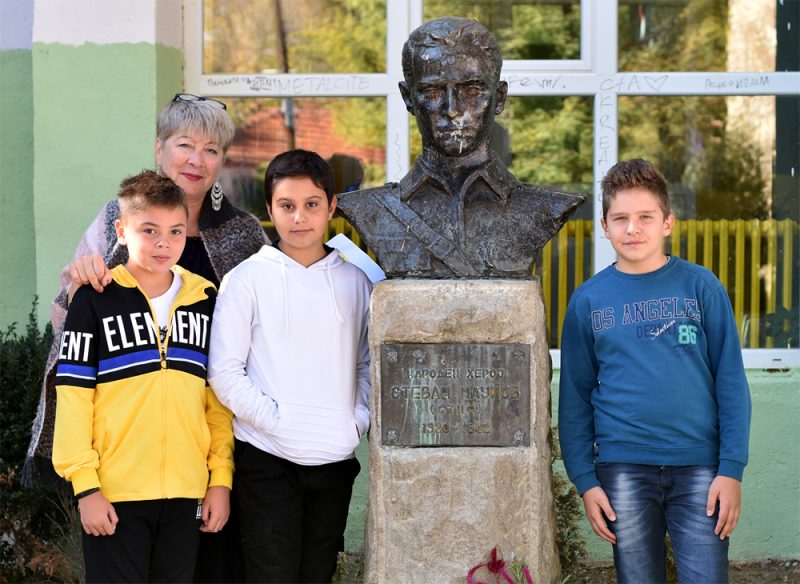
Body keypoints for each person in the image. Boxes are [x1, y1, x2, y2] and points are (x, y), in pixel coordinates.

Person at [25, 93, 266, 582]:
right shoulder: (118, 217)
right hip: (122, 457)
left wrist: (221, 472)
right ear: (160, 149)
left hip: (205, 454)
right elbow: (69, 329)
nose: (196, 160)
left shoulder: (242, 232)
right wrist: (78, 282)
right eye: (184, 145)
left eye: (211, 150)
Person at [558, 158, 752, 583]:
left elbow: (731, 384)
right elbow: (575, 397)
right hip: (623, 467)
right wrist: (585, 481)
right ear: (605, 227)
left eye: (645, 217)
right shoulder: (588, 301)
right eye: (620, 219)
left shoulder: (701, 287)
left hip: (700, 466)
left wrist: (731, 469)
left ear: (667, 223)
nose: (633, 229)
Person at [52, 170, 233, 582]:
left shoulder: (205, 300)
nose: (163, 243)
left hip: (187, 492)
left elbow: (217, 400)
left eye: (175, 231)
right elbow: (74, 395)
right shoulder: (93, 301)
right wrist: (86, 487)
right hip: (114, 493)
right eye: (149, 230)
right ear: (121, 230)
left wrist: (219, 479)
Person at [208, 149, 371, 583]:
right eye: (287, 205)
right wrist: (277, 421)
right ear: (270, 208)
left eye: (311, 204)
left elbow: (368, 363)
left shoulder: (357, 281)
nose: (299, 217)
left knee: (317, 573)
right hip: (268, 459)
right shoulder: (245, 280)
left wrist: (357, 420)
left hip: (335, 458)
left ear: (331, 206)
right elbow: (224, 372)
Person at [336, 16, 585, 278]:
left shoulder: (544, 208)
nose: (453, 109)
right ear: (408, 99)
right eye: (433, 91)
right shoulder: (371, 210)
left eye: (472, 89)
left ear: (499, 97)